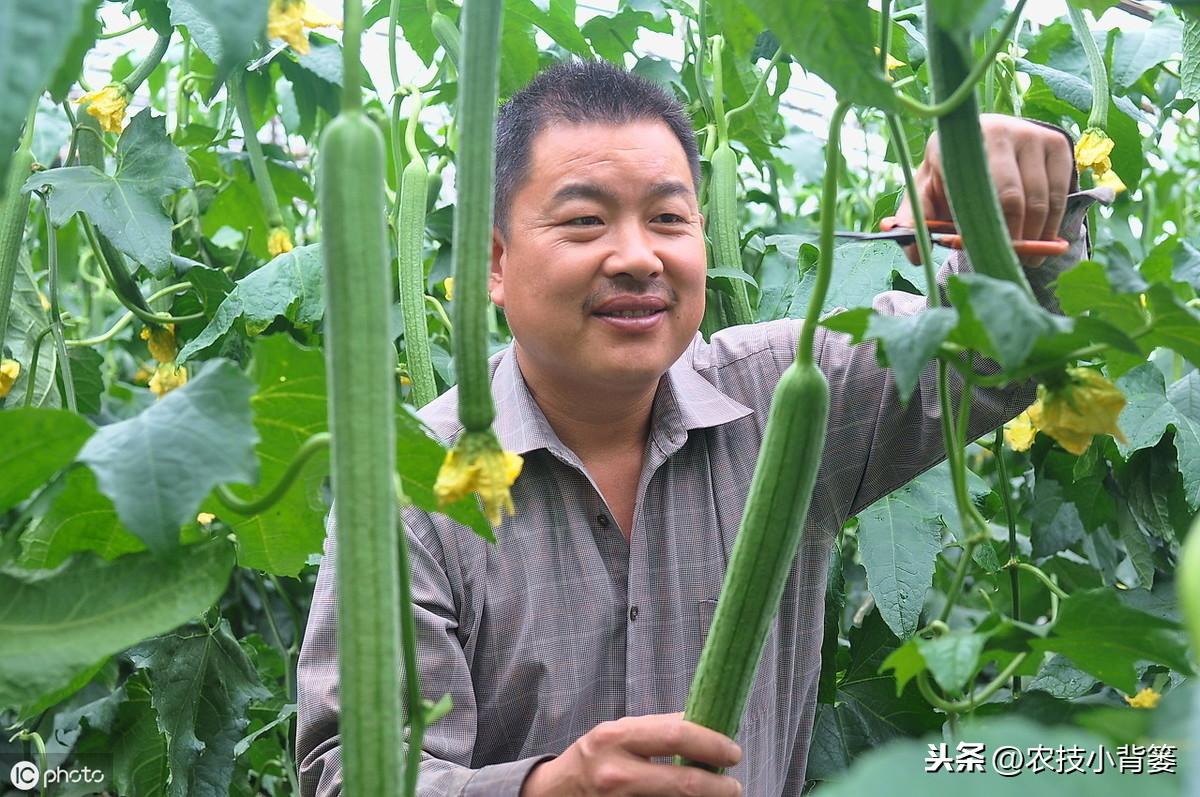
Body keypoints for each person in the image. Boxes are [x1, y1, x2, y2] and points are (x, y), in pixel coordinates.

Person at [297, 60, 1091, 796]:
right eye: (584, 222)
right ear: (495, 264)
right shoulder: (405, 485)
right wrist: (544, 788)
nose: (638, 256)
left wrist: (1024, 188)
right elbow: (348, 770)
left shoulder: (790, 397)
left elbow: (999, 355)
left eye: (670, 217)